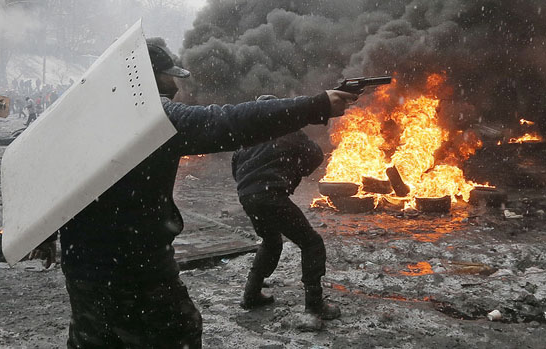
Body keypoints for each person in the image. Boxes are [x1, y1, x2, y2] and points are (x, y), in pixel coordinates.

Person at [29, 41, 358, 348]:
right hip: (138, 262)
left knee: (95, 339)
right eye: (169, 77)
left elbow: (57, 176)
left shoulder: (88, 118)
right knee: (180, 333)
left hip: (83, 262)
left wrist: (43, 233)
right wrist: (318, 104)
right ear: (147, 77)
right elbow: (227, 123)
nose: (176, 85)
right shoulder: (154, 116)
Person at [232, 94, 340, 324]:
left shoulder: (247, 137)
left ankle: (251, 295)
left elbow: (236, 168)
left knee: (271, 242)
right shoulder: (286, 129)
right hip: (270, 195)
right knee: (311, 242)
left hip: (248, 197)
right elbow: (315, 155)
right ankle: (314, 306)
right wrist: (294, 171)